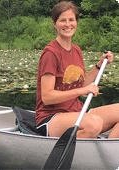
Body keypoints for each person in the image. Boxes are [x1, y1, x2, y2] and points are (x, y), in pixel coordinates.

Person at [36, 1, 119, 138]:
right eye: (63, 20)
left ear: (76, 22)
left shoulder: (76, 50)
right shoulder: (50, 53)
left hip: (77, 111)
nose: (68, 24)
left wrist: (99, 65)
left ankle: (111, 153)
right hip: (51, 117)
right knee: (94, 123)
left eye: (71, 20)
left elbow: (82, 84)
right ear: (54, 23)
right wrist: (82, 91)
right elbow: (47, 97)